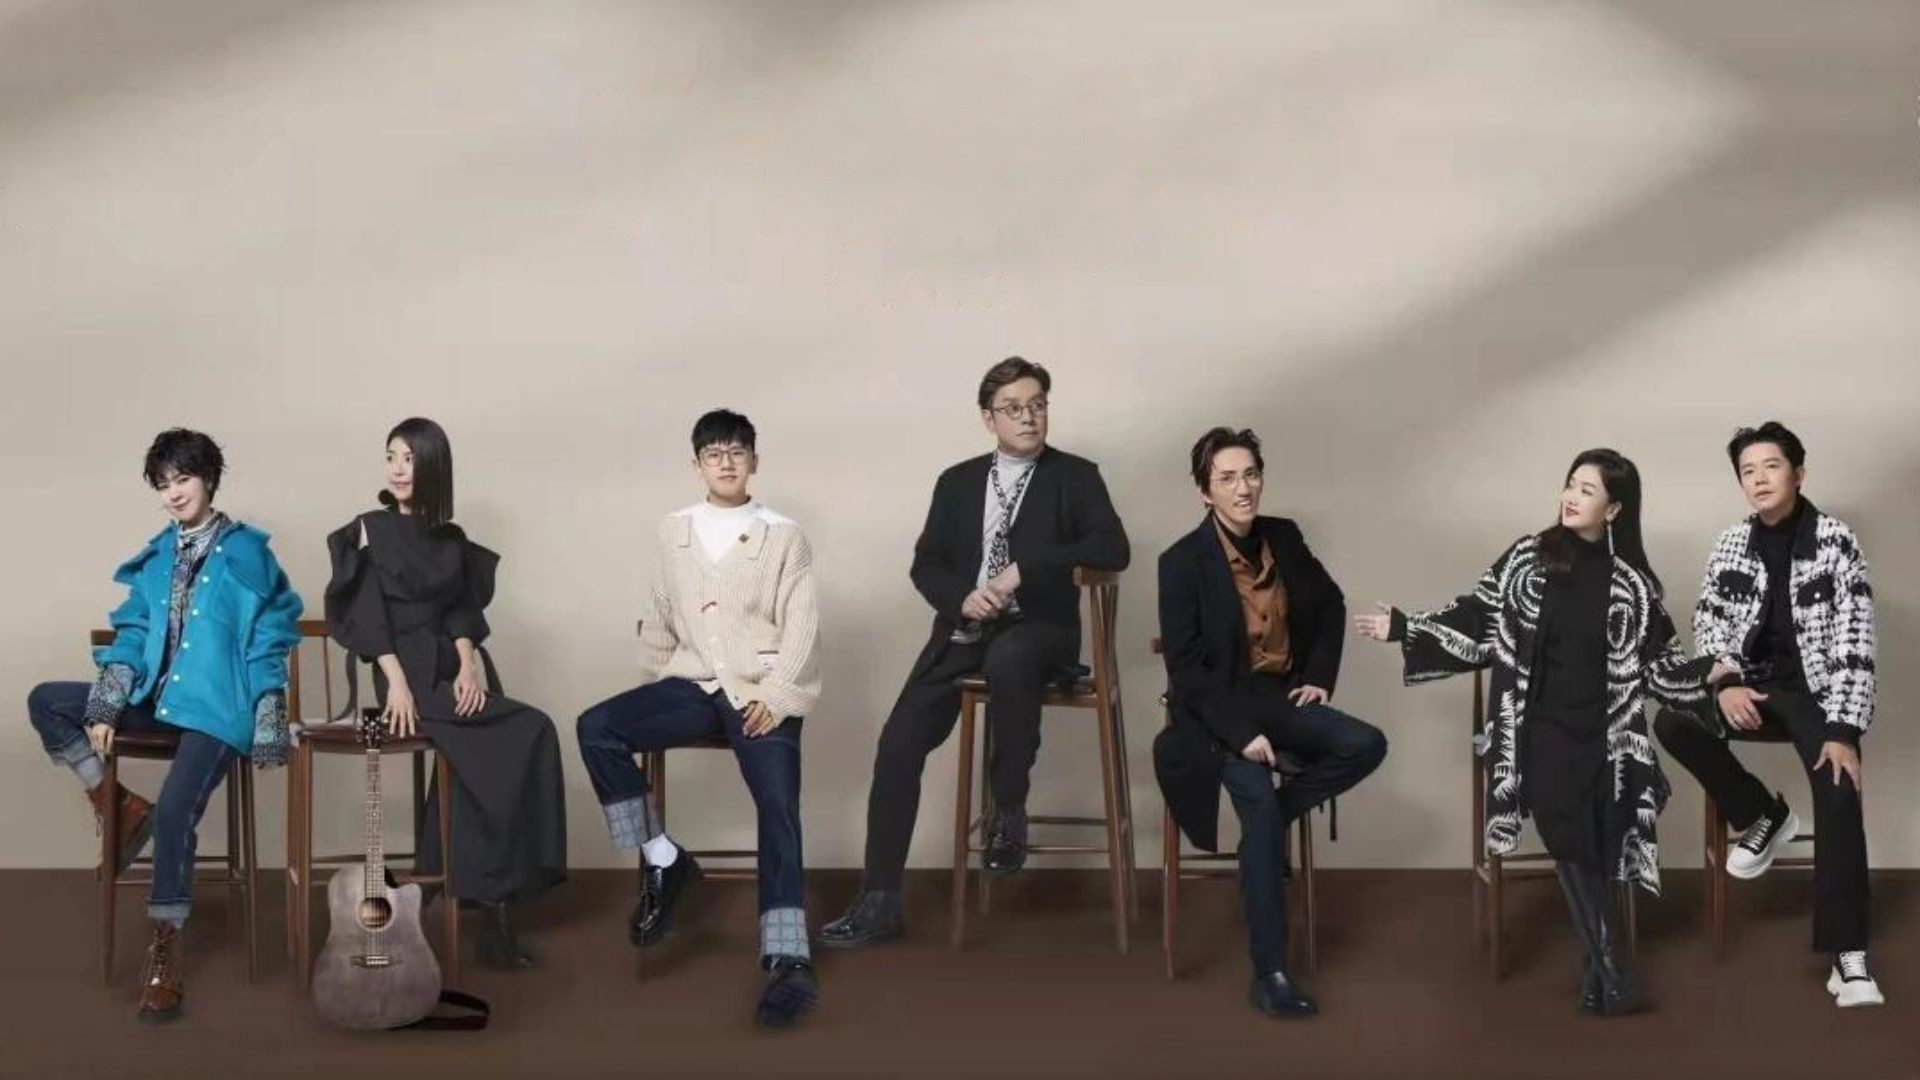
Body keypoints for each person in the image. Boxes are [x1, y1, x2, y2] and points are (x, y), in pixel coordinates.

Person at [1354, 449, 1724, 1016]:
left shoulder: (1632, 586)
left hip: (1607, 735)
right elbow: (1477, 618)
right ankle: (1610, 965)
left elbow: (1660, 666)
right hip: (1536, 730)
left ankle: (1599, 977)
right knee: (1562, 817)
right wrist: (1406, 628)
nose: (1571, 497)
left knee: (1603, 819)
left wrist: (1710, 674)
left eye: (1587, 490)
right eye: (1570, 484)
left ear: (1614, 509)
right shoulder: (1528, 559)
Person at [821, 357, 1130, 947]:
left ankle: (1007, 808)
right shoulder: (957, 482)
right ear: (989, 418)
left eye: (1038, 404)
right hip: (964, 633)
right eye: (1013, 408)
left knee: (1011, 658)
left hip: (1039, 631)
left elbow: (1113, 547)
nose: (1029, 417)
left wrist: (1023, 570)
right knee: (899, 743)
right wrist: (962, 598)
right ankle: (880, 900)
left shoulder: (1075, 476)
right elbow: (926, 563)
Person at [27, 428, 302, 1022]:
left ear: (209, 478)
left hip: (216, 711)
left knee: (176, 811)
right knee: (46, 701)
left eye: (183, 479)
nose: (174, 493)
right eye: (163, 484)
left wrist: (268, 714)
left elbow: (268, 639)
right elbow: (132, 633)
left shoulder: (247, 552)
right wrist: (108, 700)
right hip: (157, 701)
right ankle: (117, 804)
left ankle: (165, 947)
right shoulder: (156, 556)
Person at [576, 408, 824, 1027]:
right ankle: (664, 857)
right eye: (714, 453)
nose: (726, 462)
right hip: (691, 686)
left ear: (755, 461)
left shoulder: (783, 534)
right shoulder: (674, 529)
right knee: (596, 728)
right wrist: (656, 696)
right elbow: (660, 611)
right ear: (697, 464)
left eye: (737, 451)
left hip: (761, 692)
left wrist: (778, 697)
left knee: (778, 806)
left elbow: (802, 625)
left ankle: (787, 955)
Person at [1154, 427, 1387, 1018]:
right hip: (1216, 713)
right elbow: (1187, 670)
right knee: (1256, 808)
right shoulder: (1180, 562)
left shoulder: (1283, 536)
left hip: (1280, 698)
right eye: (1227, 478)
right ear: (1204, 491)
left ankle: (1274, 822)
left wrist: (1319, 676)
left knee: (1365, 743)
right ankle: (1272, 974)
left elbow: (1330, 603)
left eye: (1251, 474)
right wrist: (1241, 735)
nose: (1243, 488)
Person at [324, 417, 567, 971]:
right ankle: (480, 898)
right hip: (402, 668)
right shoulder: (369, 528)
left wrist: (468, 664)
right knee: (504, 740)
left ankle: (481, 897)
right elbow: (368, 615)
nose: (397, 469)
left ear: (433, 466)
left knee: (528, 732)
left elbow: (460, 611)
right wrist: (396, 684)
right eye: (391, 456)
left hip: (447, 664)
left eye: (409, 459)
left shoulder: (451, 539)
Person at [1654, 421, 1882, 1007]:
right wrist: (1727, 682)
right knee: (1673, 719)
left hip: (1814, 695)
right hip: (1749, 686)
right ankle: (1762, 814)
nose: (1757, 479)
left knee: (1838, 787)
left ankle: (1848, 954)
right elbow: (1708, 621)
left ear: (1798, 474)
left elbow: (1856, 639)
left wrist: (1843, 730)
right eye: (1747, 471)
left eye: (1770, 467)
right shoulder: (1731, 542)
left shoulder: (1836, 540)